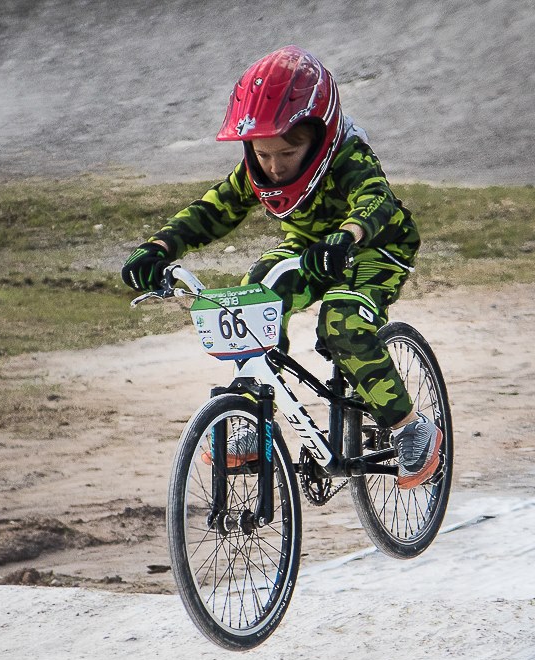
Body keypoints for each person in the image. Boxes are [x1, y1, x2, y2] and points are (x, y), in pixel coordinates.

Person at [120, 45, 442, 489]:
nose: (273, 167)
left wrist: (347, 236)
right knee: (251, 294)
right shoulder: (257, 169)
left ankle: (411, 427)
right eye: (262, 154)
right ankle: (253, 415)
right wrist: (158, 247)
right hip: (309, 248)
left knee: (343, 323)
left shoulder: (349, 156)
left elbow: (376, 200)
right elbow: (212, 211)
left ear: (320, 135)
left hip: (372, 249)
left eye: (287, 153)